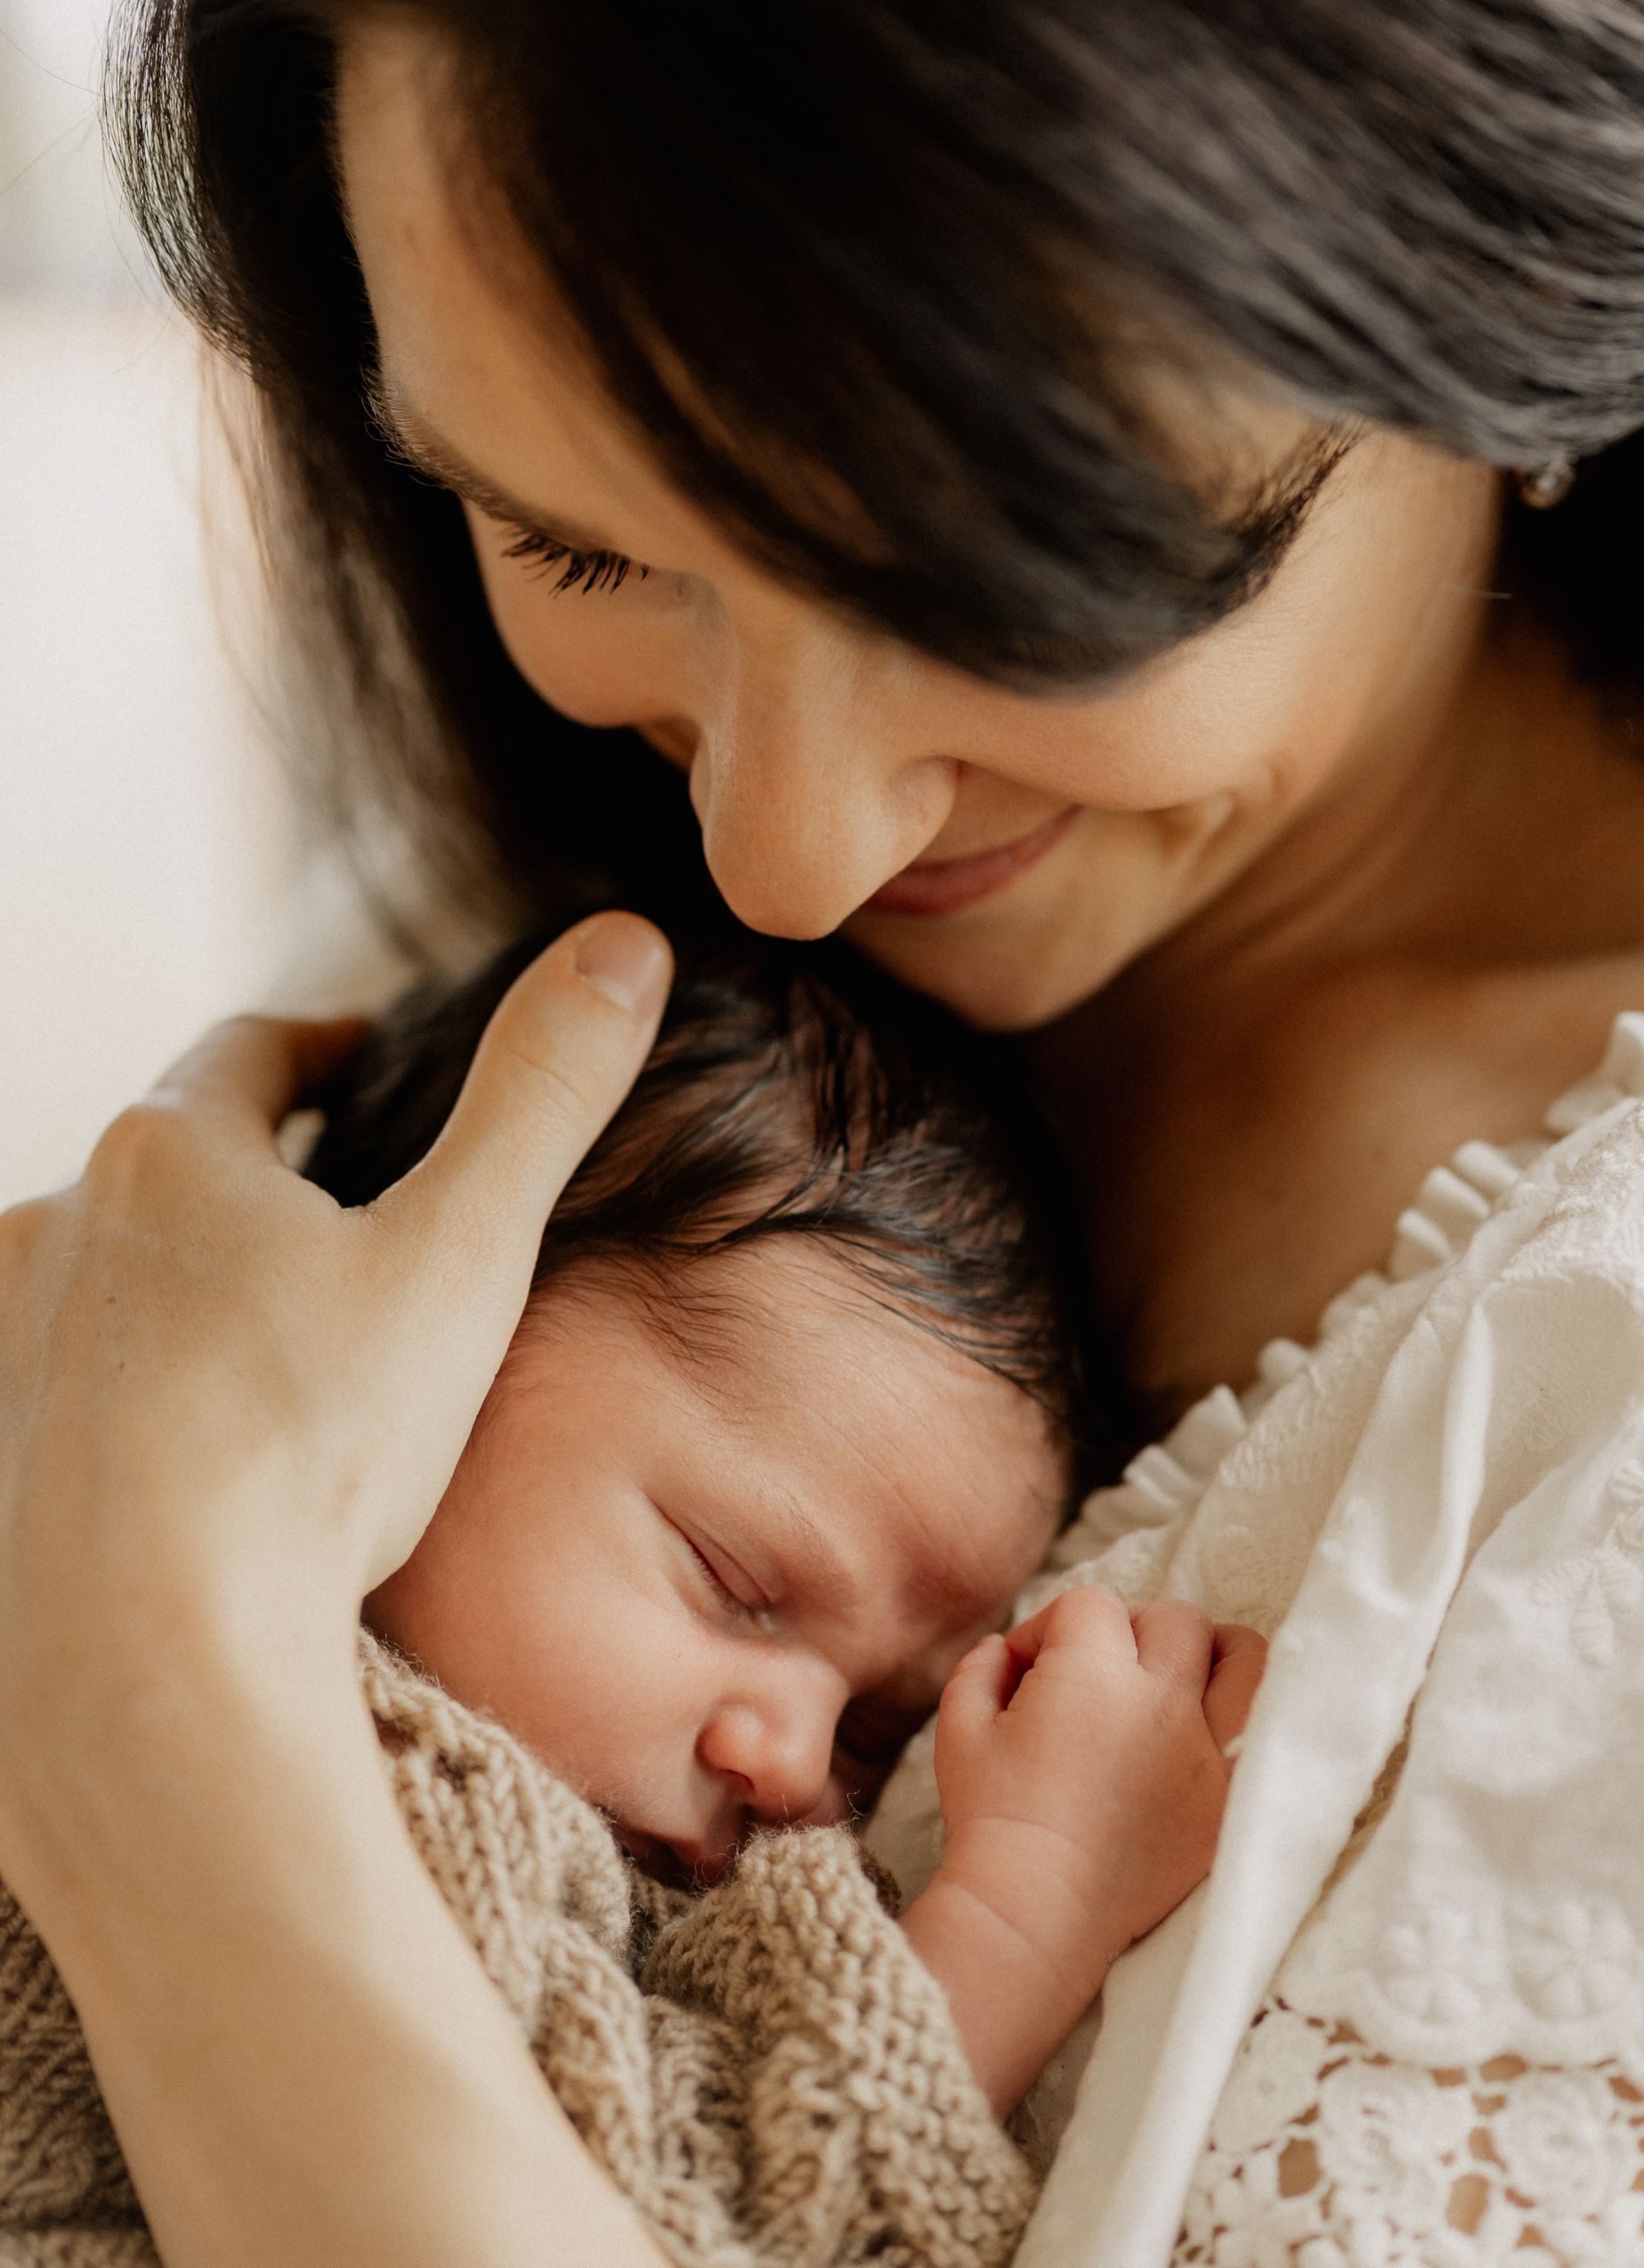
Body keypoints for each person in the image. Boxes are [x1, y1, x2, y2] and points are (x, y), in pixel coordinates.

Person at [5, 0, 1644, 2260]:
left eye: (987, 587)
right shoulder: (554, 976)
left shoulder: (1638, 1355)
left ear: (1502, 313)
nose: (777, 849)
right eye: (568, 545)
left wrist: (151, 1696)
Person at [0, 935, 1264, 2264]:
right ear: (411, 1343)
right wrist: (1032, 1902)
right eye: (734, 1581)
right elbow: (729, 2199)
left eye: (872, 1735)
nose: (790, 1764)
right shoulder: (409, 1769)